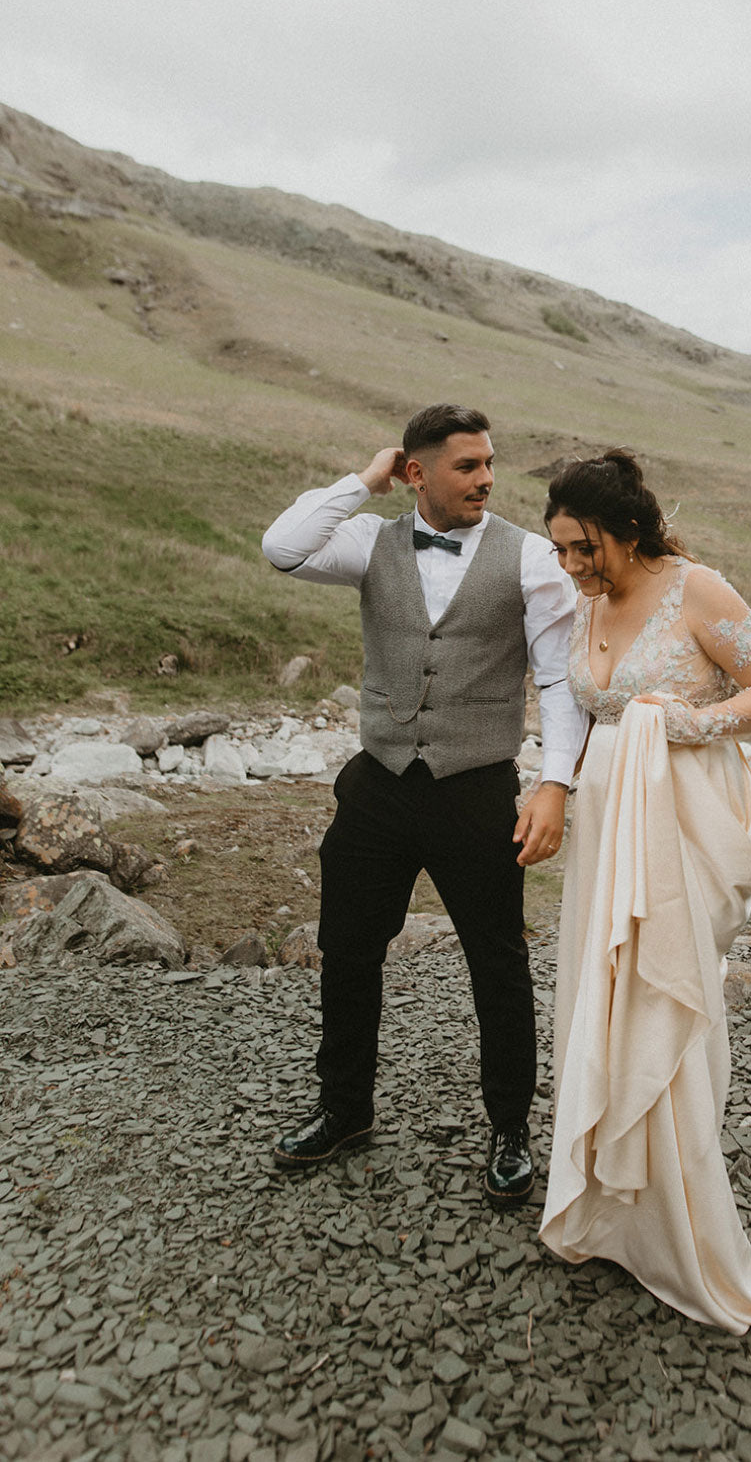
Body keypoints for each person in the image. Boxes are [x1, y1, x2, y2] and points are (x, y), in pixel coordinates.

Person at [261, 404, 587, 1205]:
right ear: (417, 472)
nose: (485, 479)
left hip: (477, 788)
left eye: (488, 464)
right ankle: (345, 1106)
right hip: (376, 783)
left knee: (498, 963)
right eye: (466, 466)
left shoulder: (533, 558)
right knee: (348, 946)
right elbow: (283, 545)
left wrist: (554, 782)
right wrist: (363, 481)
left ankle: (509, 1125)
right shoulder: (371, 540)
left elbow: (557, 680)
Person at [539, 449, 751, 1330]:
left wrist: (697, 721)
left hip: (682, 814)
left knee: (663, 996)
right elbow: (581, 706)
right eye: (560, 551)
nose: (571, 566)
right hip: (609, 826)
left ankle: (681, 1226)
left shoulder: (698, 590)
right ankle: (614, 1210)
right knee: (602, 996)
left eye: (583, 547)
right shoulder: (588, 602)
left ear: (627, 529)